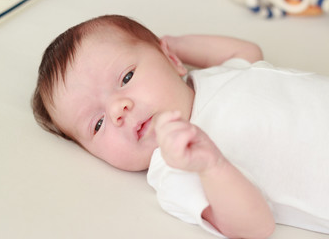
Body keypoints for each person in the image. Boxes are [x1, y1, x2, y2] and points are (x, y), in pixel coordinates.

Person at [32, 14, 329, 238]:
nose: (116, 109)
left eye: (126, 78)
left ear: (173, 60)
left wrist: (175, 44)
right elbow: (254, 226)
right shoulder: (173, 166)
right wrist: (211, 165)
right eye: (97, 124)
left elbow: (249, 52)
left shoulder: (214, 75)